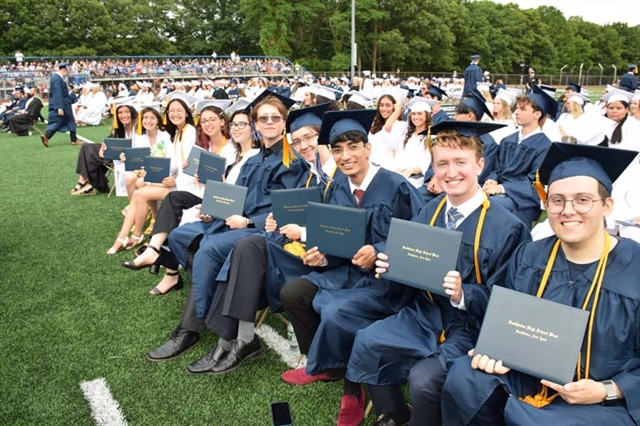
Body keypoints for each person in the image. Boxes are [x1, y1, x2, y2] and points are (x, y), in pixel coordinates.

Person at [441, 142, 640, 426]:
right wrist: (494, 349)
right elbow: (507, 319)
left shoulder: (636, 268)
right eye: (557, 200)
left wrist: (610, 389)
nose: (568, 210)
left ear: (607, 205)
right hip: (530, 373)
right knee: (465, 376)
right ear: (546, 205)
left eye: (582, 200)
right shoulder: (530, 255)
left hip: (604, 398)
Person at [346, 121, 530, 426]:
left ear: (480, 165)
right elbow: (410, 269)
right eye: (442, 164)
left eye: (461, 162)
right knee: (368, 340)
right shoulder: (427, 212)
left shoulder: (507, 227)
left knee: (423, 380)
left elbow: (513, 299)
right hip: (425, 312)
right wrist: (391, 267)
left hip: (471, 325)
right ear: (433, 167)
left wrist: (464, 294)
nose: (451, 172)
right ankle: (395, 413)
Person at [278, 110, 424, 426]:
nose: (346, 156)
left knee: (337, 313)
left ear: (367, 148)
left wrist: (380, 250)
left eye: (353, 147)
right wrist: (322, 257)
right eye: (338, 149)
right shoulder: (336, 189)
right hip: (346, 274)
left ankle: (352, 388)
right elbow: (335, 244)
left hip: (387, 281)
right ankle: (328, 364)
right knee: (294, 292)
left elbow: (419, 240)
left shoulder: (396, 186)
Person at [146, 91, 309, 362]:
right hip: (235, 222)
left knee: (209, 249)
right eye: (263, 118)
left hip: (262, 231)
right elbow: (239, 195)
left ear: (284, 122)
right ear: (256, 123)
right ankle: (207, 306)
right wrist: (216, 211)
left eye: (275, 118)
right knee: (180, 235)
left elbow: (287, 210)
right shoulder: (255, 160)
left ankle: (191, 326)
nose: (269, 122)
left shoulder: (292, 162)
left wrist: (248, 221)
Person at [184, 103, 341, 375]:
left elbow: (336, 230)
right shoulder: (311, 176)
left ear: (324, 137)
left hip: (318, 260)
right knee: (243, 248)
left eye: (310, 138)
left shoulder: (336, 177)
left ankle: (234, 339)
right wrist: (275, 221)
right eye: (298, 140)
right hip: (289, 245)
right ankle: (235, 339)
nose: (304, 145)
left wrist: (287, 228)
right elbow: (287, 212)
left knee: (243, 248)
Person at [122, 107, 262, 295]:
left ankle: (170, 272)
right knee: (173, 200)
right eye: (204, 121)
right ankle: (154, 250)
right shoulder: (202, 147)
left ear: (222, 122)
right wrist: (189, 171)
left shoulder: (234, 148)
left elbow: (229, 186)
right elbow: (189, 179)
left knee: (177, 209)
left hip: (220, 201)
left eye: (212, 119)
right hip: (199, 192)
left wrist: (208, 183)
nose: (208, 124)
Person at [481, 85, 555, 227]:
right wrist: (492, 180)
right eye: (517, 108)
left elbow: (533, 182)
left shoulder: (545, 146)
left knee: (490, 206)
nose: (516, 112)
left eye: (523, 109)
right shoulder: (508, 140)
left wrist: (502, 188)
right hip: (499, 192)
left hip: (523, 200)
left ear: (537, 114)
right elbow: (496, 168)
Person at [106, 107, 175, 254]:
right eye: (145, 118)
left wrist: (148, 170)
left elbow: (169, 160)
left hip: (160, 171)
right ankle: (138, 213)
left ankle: (153, 217)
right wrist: (127, 158)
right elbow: (136, 156)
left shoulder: (165, 135)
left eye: (152, 118)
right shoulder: (140, 136)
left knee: (139, 183)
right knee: (130, 178)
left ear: (158, 120)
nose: (148, 121)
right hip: (144, 169)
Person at [70, 99, 138, 196]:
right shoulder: (119, 127)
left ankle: (87, 183)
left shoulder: (139, 127)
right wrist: (103, 145)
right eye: (120, 112)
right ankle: (84, 180)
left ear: (133, 112)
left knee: (92, 154)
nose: (123, 115)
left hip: (127, 157)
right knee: (86, 147)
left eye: (127, 112)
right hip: (115, 152)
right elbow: (110, 140)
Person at [391, 98, 433, 188]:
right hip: (402, 175)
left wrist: (412, 170)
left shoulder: (432, 137)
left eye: (419, 113)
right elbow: (399, 156)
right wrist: (398, 169)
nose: (416, 117)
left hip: (420, 180)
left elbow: (429, 162)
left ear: (427, 116)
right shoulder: (407, 135)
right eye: (413, 114)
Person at [41, 62, 78, 147]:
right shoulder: (57, 79)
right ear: (64, 70)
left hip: (61, 103)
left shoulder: (55, 78)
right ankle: (73, 140)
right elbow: (58, 93)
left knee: (59, 121)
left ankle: (47, 136)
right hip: (63, 104)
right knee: (68, 121)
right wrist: (60, 107)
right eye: (66, 71)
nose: (67, 74)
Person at [368, 93, 406, 169]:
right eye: (381, 105)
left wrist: (398, 110)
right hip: (371, 165)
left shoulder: (401, 125)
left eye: (388, 105)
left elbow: (388, 129)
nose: (384, 109)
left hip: (388, 168)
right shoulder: (374, 123)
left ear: (394, 107)